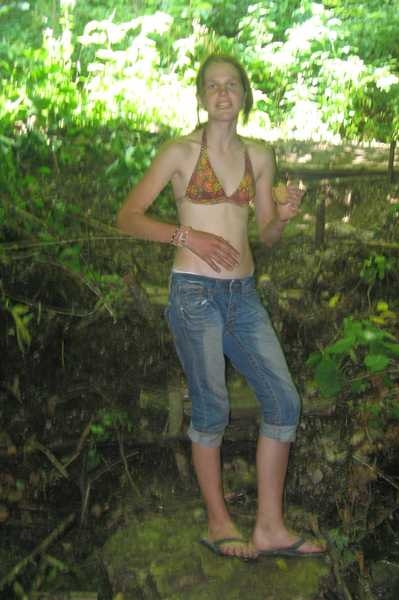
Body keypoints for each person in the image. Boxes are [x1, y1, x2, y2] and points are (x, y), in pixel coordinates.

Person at [117, 53, 325, 560]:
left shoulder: (260, 155)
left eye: (232, 85)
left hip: (243, 295)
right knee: (212, 407)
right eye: (212, 85)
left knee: (284, 401)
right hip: (194, 293)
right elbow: (128, 216)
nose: (223, 93)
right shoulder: (180, 152)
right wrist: (187, 236)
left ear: (244, 94)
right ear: (200, 96)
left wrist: (285, 216)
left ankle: (269, 527)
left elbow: (267, 235)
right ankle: (217, 522)